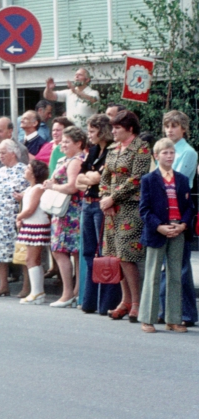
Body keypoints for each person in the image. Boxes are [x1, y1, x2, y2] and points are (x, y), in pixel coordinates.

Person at [139, 138, 193, 333]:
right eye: (165, 153)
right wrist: (159, 227)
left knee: (175, 275)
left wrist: (183, 225)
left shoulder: (181, 179)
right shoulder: (149, 179)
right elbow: (144, 210)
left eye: (172, 153)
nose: (169, 156)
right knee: (152, 275)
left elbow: (189, 207)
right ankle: (147, 318)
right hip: (158, 231)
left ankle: (173, 318)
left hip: (177, 230)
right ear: (156, 156)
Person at [99, 110, 150, 322]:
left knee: (128, 256)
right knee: (116, 255)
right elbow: (105, 176)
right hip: (113, 210)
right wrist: (105, 199)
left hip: (131, 207)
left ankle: (137, 302)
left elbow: (137, 178)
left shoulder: (142, 148)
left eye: (117, 128)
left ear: (130, 128)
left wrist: (113, 198)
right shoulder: (113, 149)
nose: (113, 131)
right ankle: (125, 300)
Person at [75, 114, 120, 315]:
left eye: (92, 131)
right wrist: (90, 178)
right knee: (88, 253)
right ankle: (89, 301)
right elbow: (80, 178)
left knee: (104, 254)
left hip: (101, 205)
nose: (89, 135)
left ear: (102, 131)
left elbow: (100, 177)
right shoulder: (92, 150)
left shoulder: (111, 151)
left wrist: (90, 177)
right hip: (87, 203)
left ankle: (106, 303)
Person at [158, 111, 198, 327]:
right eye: (167, 125)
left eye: (174, 125)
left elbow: (174, 180)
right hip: (162, 209)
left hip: (178, 209)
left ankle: (184, 312)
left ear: (183, 128)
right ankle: (174, 310)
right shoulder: (164, 151)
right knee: (169, 264)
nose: (170, 129)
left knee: (179, 265)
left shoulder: (188, 152)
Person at [43, 126, 87, 307]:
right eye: (62, 141)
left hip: (70, 210)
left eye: (67, 142)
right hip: (68, 210)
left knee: (61, 250)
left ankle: (68, 293)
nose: (63, 145)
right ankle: (75, 292)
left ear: (78, 143)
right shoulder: (69, 159)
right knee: (73, 251)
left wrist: (52, 187)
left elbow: (72, 187)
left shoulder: (75, 161)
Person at [0, 140, 29, 298]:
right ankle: (3, 285)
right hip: (2, 217)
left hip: (19, 217)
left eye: (3, 152)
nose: (1, 156)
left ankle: (26, 286)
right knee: (0, 252)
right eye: (0, 153)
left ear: (13, 153)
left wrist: (23, 197)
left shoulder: (24, 170)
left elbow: (33, 191)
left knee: (23, 252)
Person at [15, 160, 51, 304]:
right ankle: (37, 291)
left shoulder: (37, 188)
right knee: (32, 259)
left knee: (31, 259)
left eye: (28, 168)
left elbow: (30, 209)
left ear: (35, 173)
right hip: (30, 225)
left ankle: (37, 292)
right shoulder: (30, 189)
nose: (25, 170)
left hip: (37, 226)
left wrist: (19, 216)